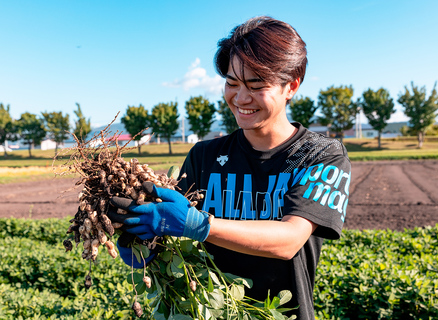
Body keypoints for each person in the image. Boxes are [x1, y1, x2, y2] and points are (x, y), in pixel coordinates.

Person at [109, 16, 351, 320]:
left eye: (256, 85)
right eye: (232, 83)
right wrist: (144, 245)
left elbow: (290, 239)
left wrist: (200, 225)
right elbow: (174, 235)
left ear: (291, 86)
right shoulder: (205, 155)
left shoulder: (320, 155)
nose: (240, 97)